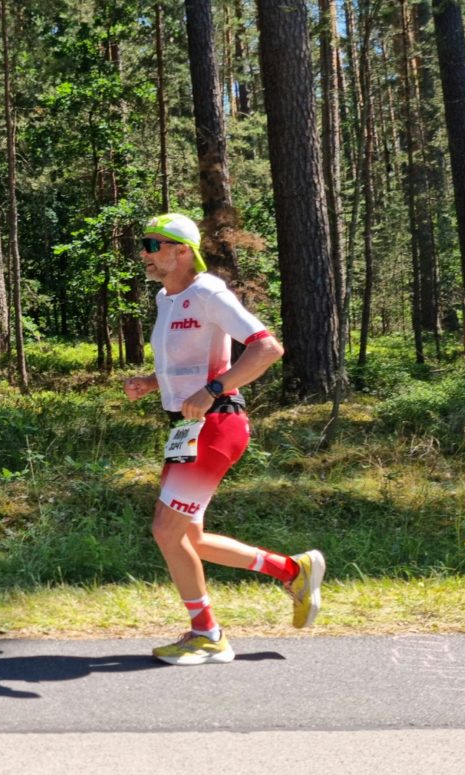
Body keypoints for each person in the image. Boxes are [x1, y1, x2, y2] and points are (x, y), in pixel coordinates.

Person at [123, 212, 325, 666]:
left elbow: (267, 348)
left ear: (181, 251)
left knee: (165, 531)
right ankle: (292, 570)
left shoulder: (207, 291)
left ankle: (207, 634)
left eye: (154, 245)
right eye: (145, 244)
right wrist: (152, 384)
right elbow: (188, 363)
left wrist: (214, 390)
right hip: (187, 429)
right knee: (187, 537)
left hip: (217, 424)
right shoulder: (166, 299)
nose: (145, 254)